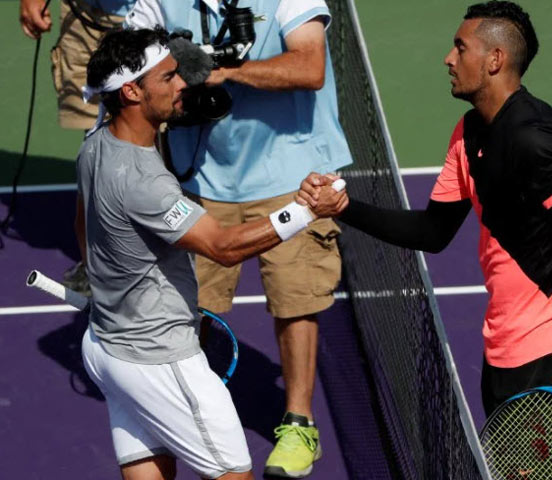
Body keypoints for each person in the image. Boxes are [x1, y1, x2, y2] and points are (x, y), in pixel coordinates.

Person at [298, 2, 552, 478]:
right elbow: (433, 231)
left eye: (461, 47)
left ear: (495, 60)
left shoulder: (535, 137)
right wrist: (344, 209)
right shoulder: (467, 134)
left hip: (551, 355)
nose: (448, 57)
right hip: (503, 345)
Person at [76, 27, 347, 480]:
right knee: (233, 473)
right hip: (160, 359)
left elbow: (84, 231)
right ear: (131, 91)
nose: (182, 84)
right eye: (167, 78)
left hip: (106, 346)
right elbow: (222, 247)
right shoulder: (147, 182)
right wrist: (303, 212)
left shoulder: (95, 147)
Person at [20, 0, 135, 294]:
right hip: (83, 14)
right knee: (95, 145)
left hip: (156, 13)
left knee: (161, 136)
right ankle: (95, 260)